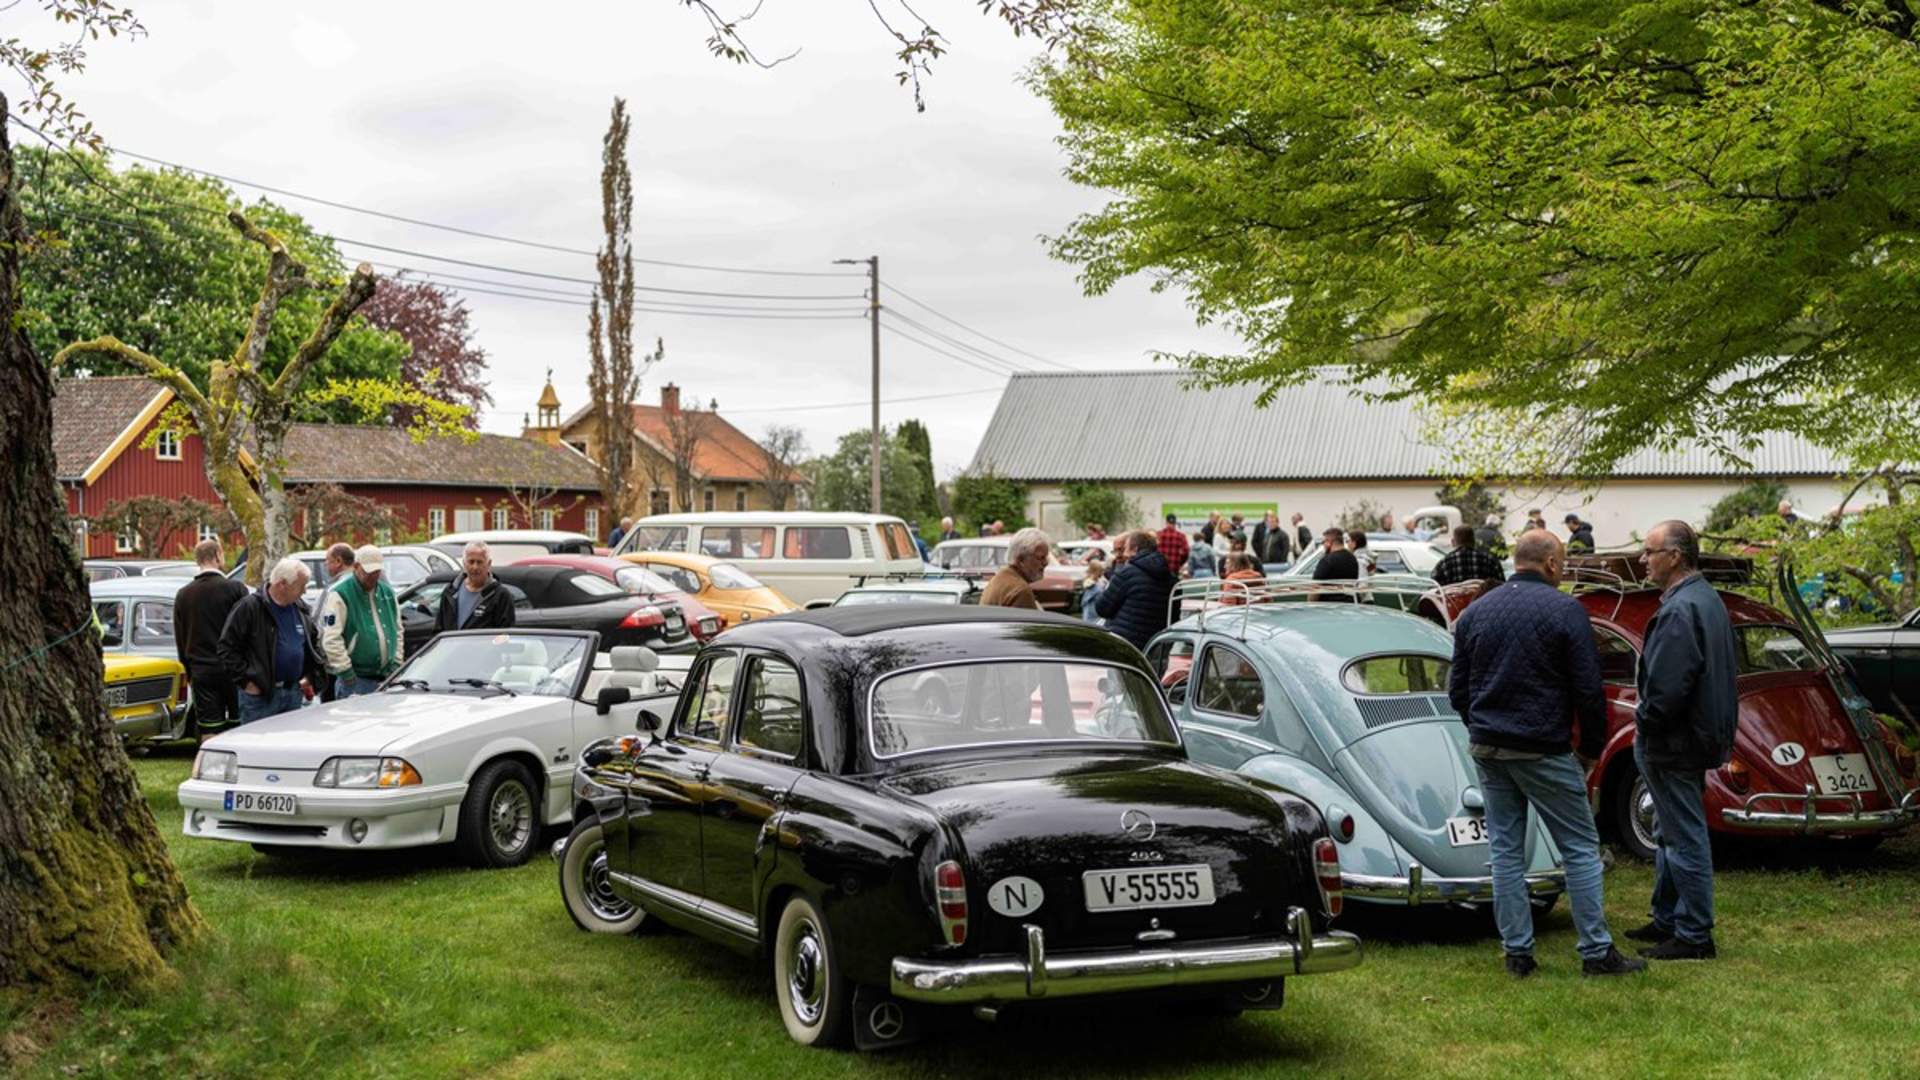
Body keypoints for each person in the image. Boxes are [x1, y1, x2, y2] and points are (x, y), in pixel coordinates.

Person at [1449, 530, 1645, 979]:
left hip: (1489, 745)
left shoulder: (1476, 612)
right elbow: (1588, 690)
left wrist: (1479, 724)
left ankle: (1517, 953)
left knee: (1505, 851)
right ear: (1553, 563)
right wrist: (1590, 750)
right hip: (1542, 747)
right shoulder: (1566, 610)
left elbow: (1457, 688)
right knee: (1579, 848)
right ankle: (1596, 951)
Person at [1630, 519, 1738, 961]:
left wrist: (1645, 722)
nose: (1643, 560)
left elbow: (1667, 689)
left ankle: (1693, 934)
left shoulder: (1681, 609)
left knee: (1682, 835)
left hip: (1674, 742)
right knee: (1667, 829)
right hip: (1691, 736)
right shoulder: (1705, 598)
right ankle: (1667, 918)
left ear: (1674, 557)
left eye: (1649, 551)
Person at [217, 557, 324, 723]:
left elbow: (313, 642)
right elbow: (227, 648)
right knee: (257, 739)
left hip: (293, 693)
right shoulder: (250, 607)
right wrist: (247, 682)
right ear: (282, 584)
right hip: (260, 698)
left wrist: (310, 676)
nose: (304, 591)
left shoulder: (300, 608)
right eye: (301, 586)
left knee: (291, 739)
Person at [173, 538, 248, 734]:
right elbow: (247, 630)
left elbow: (180, 638)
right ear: (218, 556)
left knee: (209, 729)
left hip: (201, 670)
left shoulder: (183, 594)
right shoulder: (236, 589)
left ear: (197, 560)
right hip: (234, 671)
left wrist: (189, 671)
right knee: (239, 726)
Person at [320, 544, 403, 698]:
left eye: (376, 572)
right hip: (355, 680)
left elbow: (397, 631)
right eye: (368, 572)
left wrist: (396, 663)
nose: (373, 577)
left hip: (386, 677)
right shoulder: (339, 593)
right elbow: (331, 637)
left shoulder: (388, 592)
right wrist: (345, 670)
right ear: (356, 567)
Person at [1095, 529, 1176, 650]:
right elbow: (1173, 618)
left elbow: (1102, 609)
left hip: (1124, 646)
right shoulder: (1171, 578)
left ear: (1135, 549)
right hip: (1155, 647)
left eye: (1125, 548)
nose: (1123, 554)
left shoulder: (1126, 573)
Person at [436, 541, 517, 634]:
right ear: (464, 563)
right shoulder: (451, 592)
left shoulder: (501, 596)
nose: (475, 567)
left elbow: (505, 634)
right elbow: (438, 630)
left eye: (479, 562)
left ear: (489, 564)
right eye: (471, 562)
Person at [982, 527, 1049, 609]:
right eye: (1041, 558)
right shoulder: (1020, 591)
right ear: (1021, 560)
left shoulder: (1001, 577)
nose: (1046, 563)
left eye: (1046, 557)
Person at [1433, 525, 1508, 586]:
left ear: (1453, 542)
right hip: (1484, 600)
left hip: (1453, 600)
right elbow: (1502, 586)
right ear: (1474, 541)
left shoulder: (1443, 564)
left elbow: (1434, 589)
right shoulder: (1490, 561)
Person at [1311, 527, 1360, 602]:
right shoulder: (1353, 558)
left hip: (1329, 605)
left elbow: (1315, 588)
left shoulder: (1327, 560)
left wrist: (1310, 604)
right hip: (1350, 603)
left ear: (1329, 542)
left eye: (1324, 542)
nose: (1323, 545)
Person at [1156, 513, 1190, 578]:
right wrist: (1179, 563)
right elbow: (1186, 552)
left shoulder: (1158, 535)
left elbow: (1152, 551)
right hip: (1174, 569)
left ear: (1166, 522)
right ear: (1175, 523)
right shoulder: (1181, 536)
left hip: (1159, 568)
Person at [1079, 559, 1108, 624]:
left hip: (1095, 608)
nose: (1102, 573)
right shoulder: (1090, 582)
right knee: (1090, 622)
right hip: (1091, 608)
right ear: (1095, 571)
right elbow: (1090, 589)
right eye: (1100, 571)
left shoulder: (1099, 580)